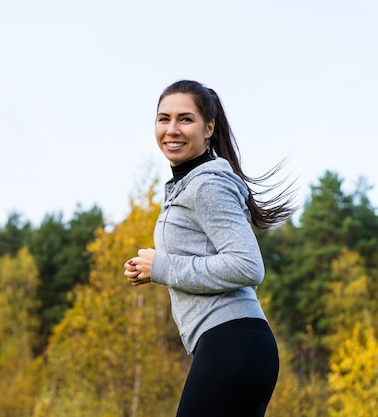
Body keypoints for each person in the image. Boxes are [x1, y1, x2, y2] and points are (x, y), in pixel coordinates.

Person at [123, 80, 296, 417]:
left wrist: (162, 267)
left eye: (185, 119)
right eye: (164, 119)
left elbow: (248, 266)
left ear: (209, 128)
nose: (172, 129)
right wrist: (155, 268)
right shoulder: (187, 186)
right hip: (235, 345)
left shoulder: (207, 184)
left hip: (232, 341)